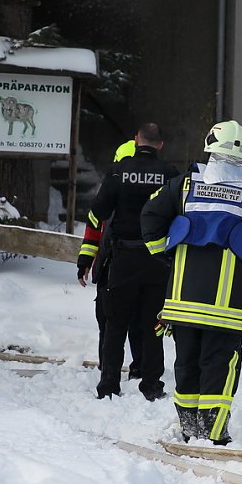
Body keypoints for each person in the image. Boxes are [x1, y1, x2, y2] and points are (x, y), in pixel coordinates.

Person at [141, 120, 242, 444]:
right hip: (226, 305)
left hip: (182, 300)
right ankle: (214, 434)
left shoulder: (184, 185)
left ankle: (190, 430)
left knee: (186, 364)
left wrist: (168, 254)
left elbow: (149, 217)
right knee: (220, 365)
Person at [77, 123, 179, 401]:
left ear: (136, 141)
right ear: (160, 144)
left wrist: (86, 257)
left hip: (123, 258)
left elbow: (98, 212)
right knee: (153, 324)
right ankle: (151, 384)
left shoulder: (119, 172)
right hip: (158, 259)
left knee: (115, 323)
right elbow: (183, 216)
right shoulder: (171, 175)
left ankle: (109, 384)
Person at [78, 138, 146, 380]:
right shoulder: (113, 193)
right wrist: (85, 261)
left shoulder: (117, 192)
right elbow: (93, 229)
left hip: (121, 265)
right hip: (113, 265)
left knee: (125, 321)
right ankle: (112, 366)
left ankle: (133, 368)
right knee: (112, 320)